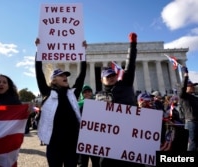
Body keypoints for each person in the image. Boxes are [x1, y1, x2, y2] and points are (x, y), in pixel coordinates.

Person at [35, 39, 87, 167]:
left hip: (72, 141)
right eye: (61, 75)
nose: (65, 77)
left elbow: (81, 76)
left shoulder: (73, 93)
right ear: (53, 80)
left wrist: (83, 53)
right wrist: (38, 50)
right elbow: (39, 74)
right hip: (54, 142)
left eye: (66, 75)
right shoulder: (47, 92)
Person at [95, 32, 143, 167]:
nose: (111, 78)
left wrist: (132, 45)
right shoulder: (98, 96)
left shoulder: (126, 84)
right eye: (108, 76)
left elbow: (131, 64)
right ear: (102, 80)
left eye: (113, 75)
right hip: (109, 137)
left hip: (130, 131)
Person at [77, 85, 99, 167]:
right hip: (83, 139)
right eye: (85, 92)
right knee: (83, 163)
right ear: (82, 94)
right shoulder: (78, 105)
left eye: (89, 91)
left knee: (96, 162)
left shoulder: (98, 104)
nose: (87, 93)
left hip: (95, 139)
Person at [179, 66, 198, 151]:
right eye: (191, 86)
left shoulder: (194, 97)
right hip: (191, 122)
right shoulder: (184, 96)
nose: (193, 87)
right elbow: (182, 88)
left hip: (196, 121)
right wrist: (186, 76)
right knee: (192, 143)